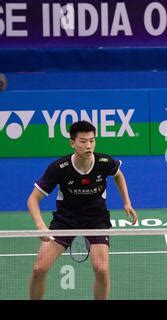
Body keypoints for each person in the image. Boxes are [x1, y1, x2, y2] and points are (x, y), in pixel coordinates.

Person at [27, 120, 137, 300]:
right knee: (39, 269)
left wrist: (127, 202)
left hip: (96, 220)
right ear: (72, 143)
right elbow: (32, 199)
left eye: (92, 140)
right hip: (65, 220)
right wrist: (40, 225)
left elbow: (118, 175)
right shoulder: (59, 168)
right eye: (83, 141)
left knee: (101, 269)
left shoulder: (104, 162)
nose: (89, 146)